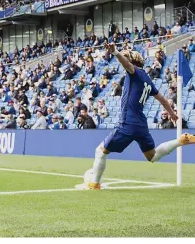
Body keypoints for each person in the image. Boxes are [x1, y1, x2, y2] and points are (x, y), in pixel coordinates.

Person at [76, 42, 195, 190]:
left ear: (133, 63)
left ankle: (94, 184)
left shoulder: (135, 73)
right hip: (140, 124)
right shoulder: (147, 80)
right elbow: (163, 100)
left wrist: (115, 53)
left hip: (128, 122)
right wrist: (173, 114)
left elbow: (126, 63)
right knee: (153, 156)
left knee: (100, 151)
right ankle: (181, 140)